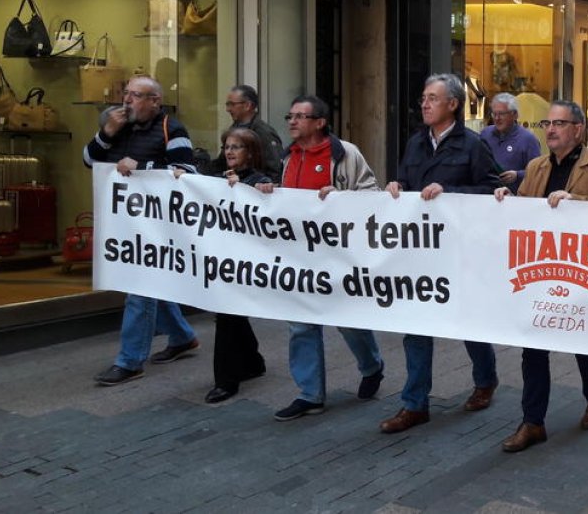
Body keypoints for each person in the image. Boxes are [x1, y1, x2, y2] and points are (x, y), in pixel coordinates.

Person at [493, 101, 588, 452]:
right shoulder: (534, 167)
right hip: (540, 270)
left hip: (581, 271)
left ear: (578, 129)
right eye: (547, 122)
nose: (550, 129)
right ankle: (532, 422)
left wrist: (576, 200)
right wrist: (507, 199)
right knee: (533, 348)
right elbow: (524, 212)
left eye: (559, 123)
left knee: (583, 340)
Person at [381, 74, 501, 434]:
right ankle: (414, 403)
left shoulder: (472, 145)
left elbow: (493, 190)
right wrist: (397, 186)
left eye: (432, 98)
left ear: (453, 104)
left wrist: (448, 191)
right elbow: (406, 180)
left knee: (468, 321)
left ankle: (486, 379)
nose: (425, 104)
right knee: (415, 325)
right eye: (423, 98)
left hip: (460, 250)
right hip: (420, 251)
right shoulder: (416, 143)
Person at [260, 95, 385, 421]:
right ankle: (310, 394)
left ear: (319, 122)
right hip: (299, 258)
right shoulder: (289, 157)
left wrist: (343, 198)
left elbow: (372, 194)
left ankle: (372, 366)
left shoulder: (344, 154)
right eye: (290, 116)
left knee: (347, 321)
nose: (292, 122)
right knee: (301, 325)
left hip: (338, 256)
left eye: (300, 116)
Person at [85, 76, 200, 386]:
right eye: (127, 94)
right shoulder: (116, 127)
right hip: (125, 222)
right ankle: (182, 337)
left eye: (136, 95)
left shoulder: (172, 130)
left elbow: (187, 174)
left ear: (155, 102)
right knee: (150, 285)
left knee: (140, 287)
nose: (128, 100)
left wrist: (142, 169)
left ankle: (130, 361)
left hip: (157, 227)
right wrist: (105, 133)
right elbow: (88, 160)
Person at [203, 127, 271, 403]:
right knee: (230, 314)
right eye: (227, 146)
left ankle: (226, 380)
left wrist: (251, 189)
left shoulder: (260, 180)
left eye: (237, 147)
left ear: (251, 153)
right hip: (222, 257)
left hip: (244, 262)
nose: (229, 151)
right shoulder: (216, 177)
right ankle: (252, 361)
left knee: (228, 314)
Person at [211, 84, 284, 181]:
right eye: (227, 105)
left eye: (232, 104)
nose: (228, 109)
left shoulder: (264, 132)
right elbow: (220, 164)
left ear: (247, 105)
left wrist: (260, 184)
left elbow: (275, 170)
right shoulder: (233, 129)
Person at [481, 93, 542, 194]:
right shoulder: (485, 134)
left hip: (514, 199)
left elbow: (539, 173)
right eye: (494, 114)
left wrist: (517, 175)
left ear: (515, 115)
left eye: (501, 114)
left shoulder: (528, 139)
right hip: (486, 196)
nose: (497, 118)